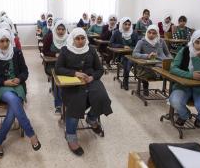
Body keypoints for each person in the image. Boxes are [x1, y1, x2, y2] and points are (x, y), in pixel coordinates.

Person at [0, 29, 41, 157]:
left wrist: (19, 78)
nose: (5, 44)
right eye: (1, 41)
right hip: (2, 87)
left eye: (7, 40)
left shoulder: (17, 52)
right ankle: (31, 134)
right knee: (14, 101)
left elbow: (25, 71)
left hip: (18, 85)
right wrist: (4, 82)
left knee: (13, 111)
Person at [55, 28, 112, 156]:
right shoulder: (65, 50)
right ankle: (71, 136)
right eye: (77, 38)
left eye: (83, 38)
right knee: (76, 102)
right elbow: (58, 69)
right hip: (72, 83)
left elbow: (100, 70)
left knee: (102, 97)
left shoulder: (91, 49)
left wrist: (92, 77)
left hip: (90, 80)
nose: (80, 41)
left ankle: (91, 119)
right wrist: (74, 73)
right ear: (73, 39)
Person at [132, 25, 172, 95]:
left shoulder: (161, 41)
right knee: (148, 71)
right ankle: (145, 86)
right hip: (148, 65)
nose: (151, 35)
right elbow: (135, 54)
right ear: (146, 32)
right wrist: (147, 56)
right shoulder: (141, 42)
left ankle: (171, 94)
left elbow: (168, 54)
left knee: (173, 74)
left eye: (154, 33)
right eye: (149, 32)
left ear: (157, 34)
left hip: (162, 64)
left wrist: (170, 60)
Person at [42, 19, 68, 113]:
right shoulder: (50, 36)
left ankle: (69, 101)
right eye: (59, 29)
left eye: (63, 29)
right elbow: (44, 51)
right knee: (58, 78)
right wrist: (55, 55)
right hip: (52, 64)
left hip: (66, 65)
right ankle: (58, 105)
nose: (61, 31)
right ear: (55, 29)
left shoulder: (69, 38)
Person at [110, 17, 139, 90]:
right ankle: (126, 80)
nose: (127, 26)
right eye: (125, 24)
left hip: (133, 54)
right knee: (128, 62)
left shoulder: (134, 33)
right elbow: (111, 43)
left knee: (131, 61)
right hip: (121, 55)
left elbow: (137, 45)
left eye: (129, 24)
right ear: (121, 24)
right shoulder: (117, 32)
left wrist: (131, 48)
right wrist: (122, 46)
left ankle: (142, 82)